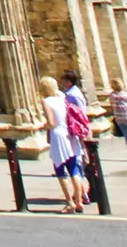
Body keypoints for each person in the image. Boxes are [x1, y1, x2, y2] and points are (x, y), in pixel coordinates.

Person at [40, 75, 87, 213]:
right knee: (74, 170)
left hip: (58, 136)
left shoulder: (46, 101)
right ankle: (79, 202)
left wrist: (44, 126)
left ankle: (70, 203)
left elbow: (51, 123)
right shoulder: (62, 99)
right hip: (69, 135)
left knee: (60, 171)